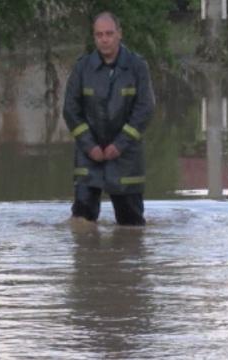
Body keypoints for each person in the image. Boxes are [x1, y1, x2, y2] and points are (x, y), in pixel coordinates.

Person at [63, 11, 155, 226]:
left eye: (109, 34)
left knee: (130, 224)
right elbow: (70, 110)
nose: (104, 39)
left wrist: (120, 144)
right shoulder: (82, 68)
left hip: (126, 156)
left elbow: (145, 108)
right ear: (94, 37)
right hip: (89, 155)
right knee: (82, 222)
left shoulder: (137, 67)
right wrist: (89, 146)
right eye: (99, 35)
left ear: (119, 34)